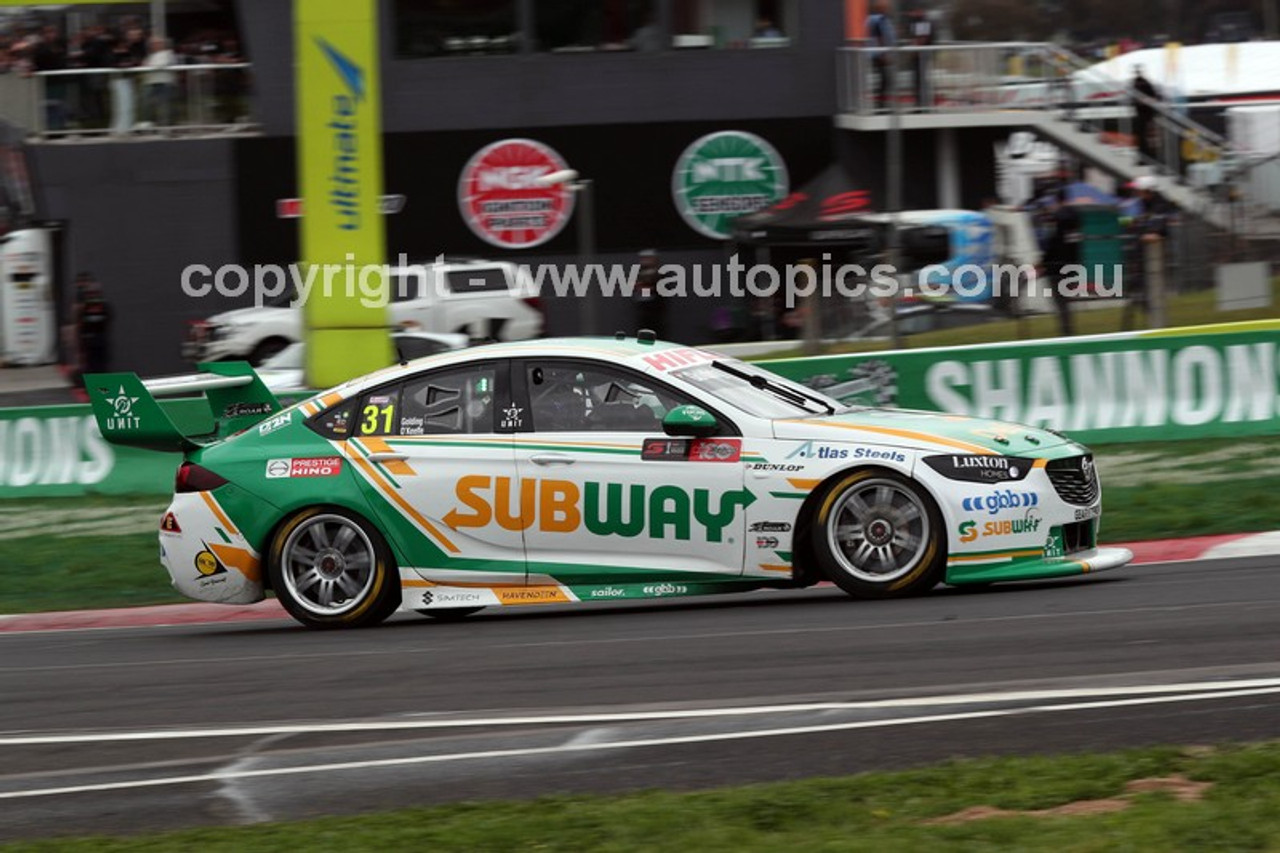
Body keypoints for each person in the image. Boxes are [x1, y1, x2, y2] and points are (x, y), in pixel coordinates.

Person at [1041, 189, 1081, 337]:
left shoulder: (1057, 218)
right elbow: (1076, 244)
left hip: (1055, 267)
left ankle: (1067, 334)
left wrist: (1043, 263)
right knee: (1066, 303)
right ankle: (1068, 332)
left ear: (1056, 201)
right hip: (1071, 266)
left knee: (1060, 304)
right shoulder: (1076, 219)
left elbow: (1053, 243)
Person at [74, 273, 111, 379]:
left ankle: (98, 386)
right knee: (95, 366)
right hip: (95, 340)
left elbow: (81, 325)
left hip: (95, 340)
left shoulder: (88, 307)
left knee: (96, 366)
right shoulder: (100, 306)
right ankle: (98, 387)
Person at [866, 0, 895, 110]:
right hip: (879, 54)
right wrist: (884, 54)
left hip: (878, 53)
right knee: (884, 80)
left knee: (883, 80)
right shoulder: (878, 20)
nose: (888, 9)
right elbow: (880, 39)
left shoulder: (878, 19)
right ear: (881, 8)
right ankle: (880, 106)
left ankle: (881, 105)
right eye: (886, 7)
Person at [142, 36, 177, 129]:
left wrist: (149, 65)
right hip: (151, 82)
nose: (154, 45)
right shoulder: (151, 55)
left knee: (164, 105)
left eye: (157, 43)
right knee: (148, 104)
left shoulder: (168, 53)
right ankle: (152, 124)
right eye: (153, 44)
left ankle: (167, 126)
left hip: (164, 82)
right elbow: (144, 65)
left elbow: (160, 65)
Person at [634, 249, 665, 338]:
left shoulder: (660, 273)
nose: (644, 261)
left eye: (648, 258)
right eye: (643, 259)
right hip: (642, 311)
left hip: (656, 311)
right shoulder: (639, 274)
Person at [1132, 66, 1161, 163]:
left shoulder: (1144, 83)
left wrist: (1146, 101)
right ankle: (1144, 157)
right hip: (1142, 113)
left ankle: (1149, 157)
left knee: (1147, 137)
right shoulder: (1136, 83)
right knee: (1143, 137)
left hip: (1146, 113)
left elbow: (1154, 97)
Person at [908, 9, 934, 110]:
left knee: (922, 79)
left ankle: (924, 104)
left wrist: (916, 49)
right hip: (916, 54)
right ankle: (918, 103)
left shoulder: (924, 22)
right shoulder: (913, 22)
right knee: (916, 79)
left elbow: (923, 39)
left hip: (921, 55)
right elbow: (913, 37)